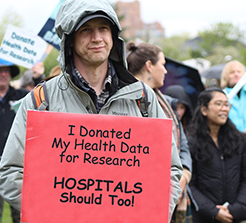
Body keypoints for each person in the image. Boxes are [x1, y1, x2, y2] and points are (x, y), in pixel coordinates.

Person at [0, 0, 182, 221]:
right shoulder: (41, 99)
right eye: (86, 29)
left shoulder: (142, 98)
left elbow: (170, 170)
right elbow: (10, 172)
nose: (97, 38)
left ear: (114, 36)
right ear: (70, 39)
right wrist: (57, 210)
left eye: (103, 28)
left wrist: (148, 212)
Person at [126, 41, 193, 223]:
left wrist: (183, 175)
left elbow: (183, 145)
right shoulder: (123, 101)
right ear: (149, 66)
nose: (165, 71)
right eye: (162, 65)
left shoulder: (167, 102)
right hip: (141, 195)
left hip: (175, 192)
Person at [187, 87, 246, 223]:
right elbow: (191, 185)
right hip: (205, 217)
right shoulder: (192, 143)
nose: (224, 109)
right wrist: (214, 212)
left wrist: (236, 209)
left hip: (236, 216)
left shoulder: (239, 140)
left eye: (227, 104)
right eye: (219, 104)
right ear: (204, 109)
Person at [0, 60, 29, 223]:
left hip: (18, 164)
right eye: (0, 70)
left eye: (6, 71)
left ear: (11, 74)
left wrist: (38, 77)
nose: (3, 74)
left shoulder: (22, 96)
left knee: (21, 212)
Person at [220, 60, 246, 132]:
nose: (236, 74)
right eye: (232, 72)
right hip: (232, 137)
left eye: (239, 72)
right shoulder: (222, 95)